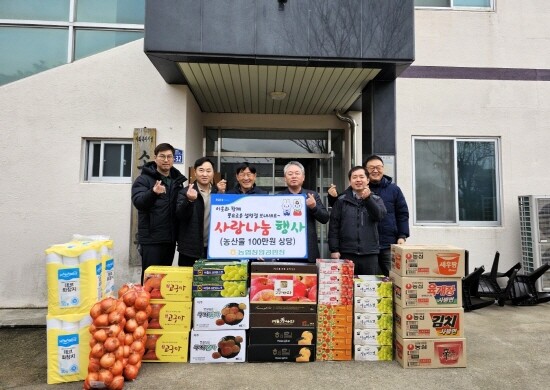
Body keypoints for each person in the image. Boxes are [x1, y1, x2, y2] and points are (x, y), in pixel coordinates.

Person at [328, 155, 409, 275]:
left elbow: (401, 213)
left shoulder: (393, 190)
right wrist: (332, 197)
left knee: (391, 276)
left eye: (378, 167)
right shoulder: (346, 196)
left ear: (367, 180)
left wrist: (402, 235)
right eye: (371, 168)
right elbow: (337, 216)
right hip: (355, 247)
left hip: (387, 243)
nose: (375, 170)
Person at [131, 143, 187, 282]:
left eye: (169, 156)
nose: (166, 160)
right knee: (150, 279)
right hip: (151, 239)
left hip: (169, 239)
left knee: (163, 279)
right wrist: (153, 193)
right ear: (155, 158)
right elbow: (138, 202)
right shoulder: (144, 179)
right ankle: (145, 303)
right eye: (162, 156)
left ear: (173, 159)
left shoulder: (177, 181)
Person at [328, 166, 387, 275]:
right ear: (350, 181)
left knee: (368, 289)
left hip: (369, 253)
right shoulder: (342, 201)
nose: (358, 180)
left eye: (361, 177)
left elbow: (379, 216)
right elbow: (334, 226)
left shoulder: (376, 199)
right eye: (354, 177)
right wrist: (334, 249)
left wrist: (368, 200)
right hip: (347, 252)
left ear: (368, 180)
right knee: (346, 288)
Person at [176, 157, 225, 266]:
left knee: (211, 282)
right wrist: (189, 200)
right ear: (195, 172)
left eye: (208, 171)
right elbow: (180, 215)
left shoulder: (218, 192)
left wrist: (222, 195)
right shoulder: (185, 192)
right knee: (189, 281)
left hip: (213, 248)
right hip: (190, 249)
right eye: (201, 170)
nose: (205, 174)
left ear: (213, 173)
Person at [278, 161, 329, 262]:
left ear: (303, 177)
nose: (294, 176)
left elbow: (325, 218)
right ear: (285, 178)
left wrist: (314, 207)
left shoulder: (312, 195)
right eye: (290, 174)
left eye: (297, 173)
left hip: (308, 250)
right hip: (286, 250)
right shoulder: (278, 197)